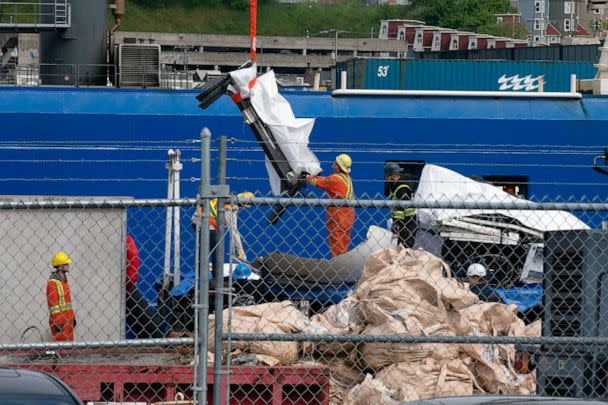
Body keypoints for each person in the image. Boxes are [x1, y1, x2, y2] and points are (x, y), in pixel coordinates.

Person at [192, 192, 254, 279]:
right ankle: (215, 277)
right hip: (205, 224)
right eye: (243, 206)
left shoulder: (229, 197)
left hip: (197, 219)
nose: (242, 208)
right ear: (241, 204)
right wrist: (240, 249)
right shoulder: (231, 208)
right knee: (217, 251)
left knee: (205, 250)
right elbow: (233, 230)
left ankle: (202, 271)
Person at [306, 154, 355, 258]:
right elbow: (326, 179)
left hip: (338, 215)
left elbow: (319, 182)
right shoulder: (346, 178)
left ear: (337, 166)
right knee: (344, 242)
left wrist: (307, 177)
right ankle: (343, 264)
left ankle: (339, 267)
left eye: (335, 162)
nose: (333, 163)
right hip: (349, 214)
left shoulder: (335, 179)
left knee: (336, 243)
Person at [384, 162, 417, 248]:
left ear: (393, 176)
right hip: (404, 224)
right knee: (401, 248)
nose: (386, 179)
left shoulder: (402, 188)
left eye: (387, 177)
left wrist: (396, 223)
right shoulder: (397, 186)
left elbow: (402, 206)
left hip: (407, 224)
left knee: (404, 249)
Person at [47, 252, 76, 341]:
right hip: (60, 322)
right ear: (60, 267)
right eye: (66, 263)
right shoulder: (53, 283)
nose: (68, 265)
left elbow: (67, 303)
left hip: (68, 320)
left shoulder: (63, 281)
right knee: (61, 348)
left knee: (69, 348)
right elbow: (53, 306)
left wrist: (72, 317)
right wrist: (57, 322)